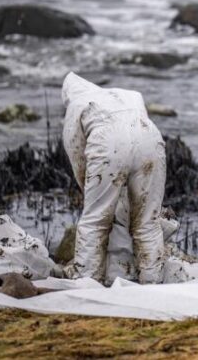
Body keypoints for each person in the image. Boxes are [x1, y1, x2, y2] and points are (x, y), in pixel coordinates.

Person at [61, 72, 166, 284]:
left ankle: (88, 282)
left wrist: (91, 191)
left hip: (107, 142)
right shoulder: (131, 95)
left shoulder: (77, 104)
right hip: (151, 139)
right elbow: (137, 128)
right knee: (147, 222)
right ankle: (153, 284)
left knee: (95, 220)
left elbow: (77, 156)